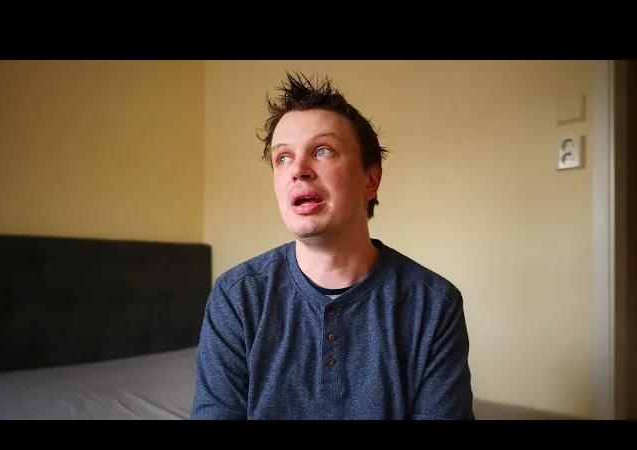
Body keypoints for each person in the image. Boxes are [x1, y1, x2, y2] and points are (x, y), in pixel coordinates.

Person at [190, 71, 474, 420]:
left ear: (370, 180)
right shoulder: (236, 297)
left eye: (322, 150)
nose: (298, 170)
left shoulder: (434, 304)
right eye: (283, 157)